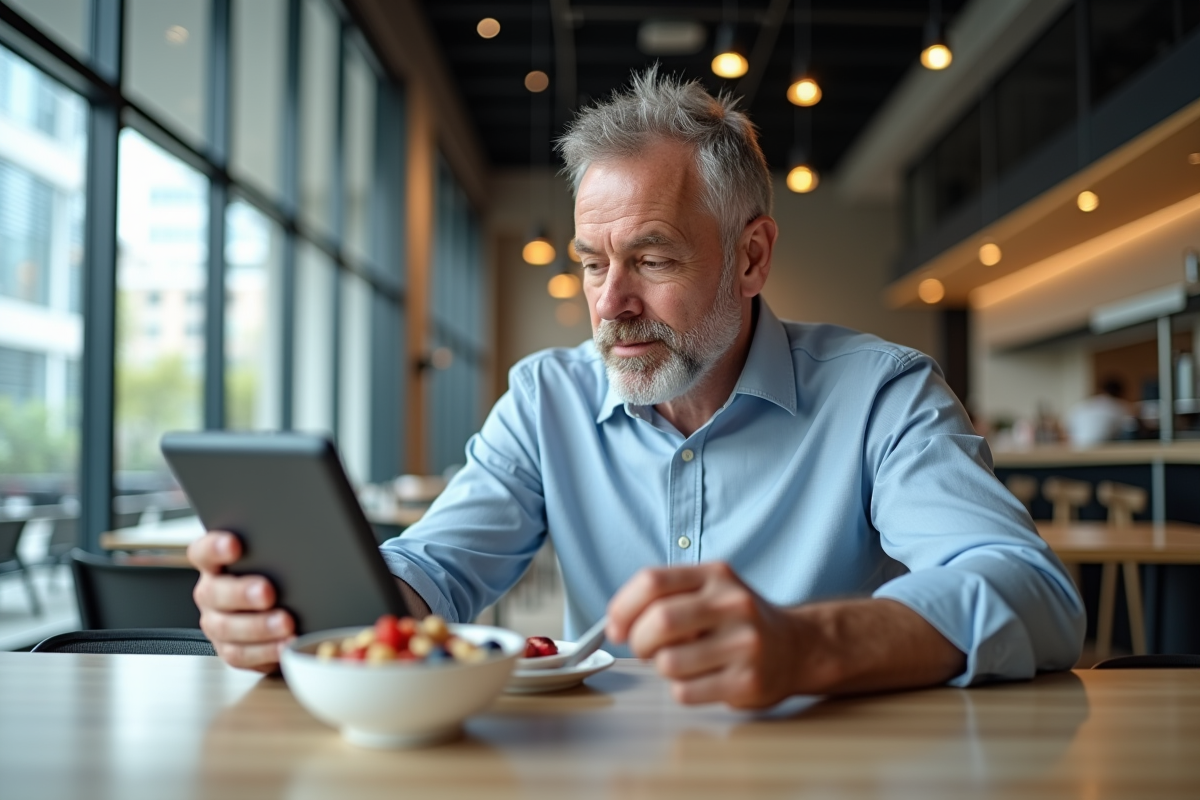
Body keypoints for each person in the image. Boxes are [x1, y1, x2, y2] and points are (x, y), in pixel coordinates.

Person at [190, 67, 1084, 708]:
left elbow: (1030, 593)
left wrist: (810, 644)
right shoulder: (546, 400)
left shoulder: (882, 395)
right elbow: (432, 568)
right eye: (592, 264)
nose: (612, 304)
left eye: (652, 258)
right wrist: (308, 615)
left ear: (752, 257)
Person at [1066, 378, 1135, 448]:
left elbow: (1068, 431)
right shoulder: (1122, 406)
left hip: (1077, 449)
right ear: (1122, 393)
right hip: (1105, 450)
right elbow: (1131, 427)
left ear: (1102, 390)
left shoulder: (1083, 405)